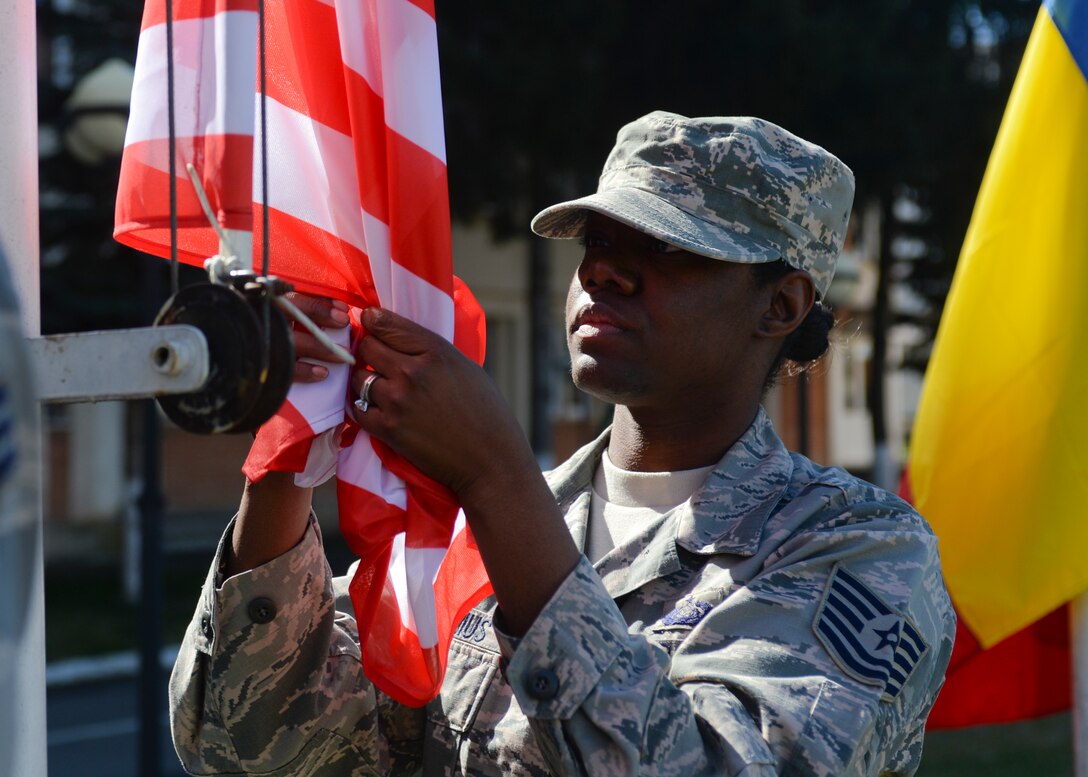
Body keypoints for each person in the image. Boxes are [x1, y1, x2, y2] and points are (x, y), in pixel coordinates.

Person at [170, 111, 955, 776]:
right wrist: (288, 446)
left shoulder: (860, 549)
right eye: (598, 241)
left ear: (781, 304)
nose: (606, 272)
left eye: (670, 247)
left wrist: (493, 475)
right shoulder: (481, 526)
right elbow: (255, 753)